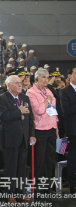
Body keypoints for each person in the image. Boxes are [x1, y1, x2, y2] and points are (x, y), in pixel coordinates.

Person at [0, 75, 36, 203]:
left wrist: (32, 134)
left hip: (24, 138)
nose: (21, 85)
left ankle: (20, 192)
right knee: (11, 168)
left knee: (21, 168)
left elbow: (30, 118)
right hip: (10, 138)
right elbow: (3, 116)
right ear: (9, 85)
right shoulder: (2, 98)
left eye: (21, 83)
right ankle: (9, 194)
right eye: (17, 83)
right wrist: (18, 111)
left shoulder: (25, 98)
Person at [26, 68, 58, 193]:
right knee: (40, 159)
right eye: (43, 77)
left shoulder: (49, 91)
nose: (46, 79)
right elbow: (38, 110)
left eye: (47, 77)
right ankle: (37, 187)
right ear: (37, 78)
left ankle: (47, 185)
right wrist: (47, 100)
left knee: (50, 159)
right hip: (39, 130)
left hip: (51, 128)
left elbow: (54, 112)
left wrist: (56, 128)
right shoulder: (31, 92)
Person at [60, 65, 76, 194]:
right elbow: (67, 111)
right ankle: (72, 183)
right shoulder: (65, 91)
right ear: (69, 76)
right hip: (73, 131)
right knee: (73, 157)